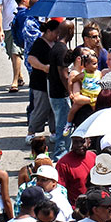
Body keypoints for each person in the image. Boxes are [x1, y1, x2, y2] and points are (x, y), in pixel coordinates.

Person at [0, 0, 28, 92]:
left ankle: (14, 81)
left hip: (22, 23)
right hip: (8, 25)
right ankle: (19, 75)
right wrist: (0, 29)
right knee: (11, 52)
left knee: (16, 52)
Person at [26, 20, 60, 144]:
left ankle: (54, 131)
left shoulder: (55, 43)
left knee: (53, 109)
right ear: (48, 31)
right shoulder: (39, 43)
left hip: (53, 82)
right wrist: (43, 67)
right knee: (41, 108)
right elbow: (31, 58)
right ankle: (31, 132)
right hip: (40, 82)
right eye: (56, 32)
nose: (57, 35)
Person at [48, 20, 74, 159]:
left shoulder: (56, 47)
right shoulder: (61, 50)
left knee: (62, 123)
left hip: (54, 91)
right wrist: (70, 91)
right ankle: (60, 155)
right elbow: (63, 75)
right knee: (64, 126)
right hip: (60, 94)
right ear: (70, 32)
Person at [55, 136, 96, 205]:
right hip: (76, 208)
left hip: (94, 205)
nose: (79, 145)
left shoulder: (93, 156)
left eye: (82, 141)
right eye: (75, 142)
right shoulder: (63, 164)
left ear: (89, 142)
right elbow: (60, 190)